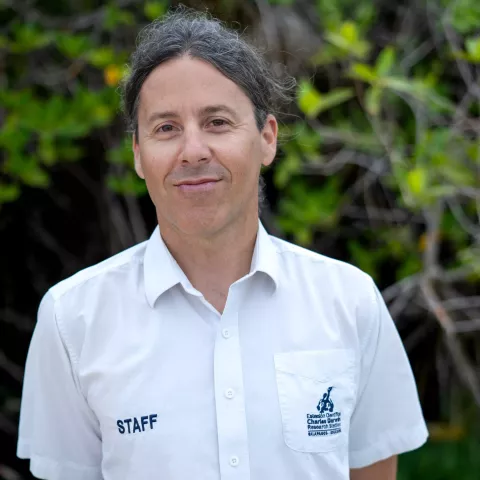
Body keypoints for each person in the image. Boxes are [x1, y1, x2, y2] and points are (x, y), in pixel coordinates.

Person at [17, 8, 428, 480]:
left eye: (216, 122)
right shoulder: (73, 320)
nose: (192, 151)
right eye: (166, 128)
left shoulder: (349, 302)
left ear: (267, 138)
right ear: (137, 154)